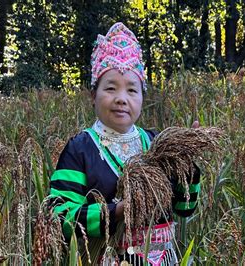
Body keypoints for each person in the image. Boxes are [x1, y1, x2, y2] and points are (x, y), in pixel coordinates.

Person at [49, 22, 200, 265]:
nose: (121, 99)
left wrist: (188, 165)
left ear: (142, 97)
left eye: (132, 90)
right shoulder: (80, 148)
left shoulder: (157, 143)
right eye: (110, 88)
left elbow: (185, 208)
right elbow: (60, 217)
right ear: (93, 95)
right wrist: (116, 211)